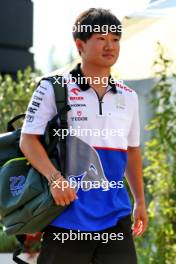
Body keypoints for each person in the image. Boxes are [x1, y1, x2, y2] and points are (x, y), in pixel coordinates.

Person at [20, 8, 148, 264]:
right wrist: (55, 179)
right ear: (80, 44)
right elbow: (28, 140)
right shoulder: (53, 88)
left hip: (116, 216)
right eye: (101, 38)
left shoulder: (128, 96)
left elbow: (132, 150)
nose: (110, 46)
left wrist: (140, 202)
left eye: (115, 39)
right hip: (65, 215)